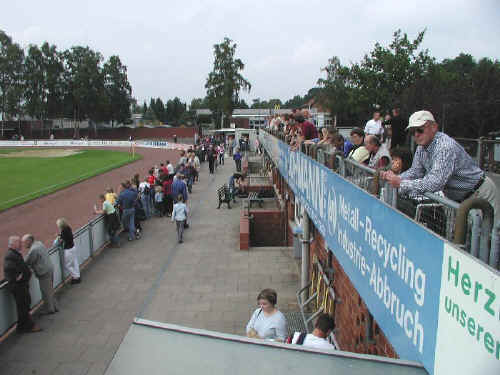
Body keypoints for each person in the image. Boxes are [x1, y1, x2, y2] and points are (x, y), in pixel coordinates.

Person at [382, 110, 499, 219]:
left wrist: (401, 183)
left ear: (434, 127)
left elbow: (435, 182)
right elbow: (415, 172)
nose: (416, 135)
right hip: (457, 200)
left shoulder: (444, 147)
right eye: (413, 131)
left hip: (480, 194)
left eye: (420, 130)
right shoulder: (421, 148)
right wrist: (395, 178)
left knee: (490, 236)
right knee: (461, 238)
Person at [4, 236, 42, 333]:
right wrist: (18, 276)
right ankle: (29, 326)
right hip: (18, 287)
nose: (21, 244)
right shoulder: (10, 255)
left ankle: (21, 326)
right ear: (13, 244)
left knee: (24, 305)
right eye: (19, 243)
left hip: (21, 286)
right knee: (23, 306)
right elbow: (10, 270)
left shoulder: (14, 254)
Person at [22, 234, 58, 314]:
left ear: (29, 241)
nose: (23, 245)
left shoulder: (33, 249)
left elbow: (28, 261)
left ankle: (49, 309)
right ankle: (54, 306)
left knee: (46, 291)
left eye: (24, 242)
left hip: (43, 272)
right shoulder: (39, 243)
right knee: (50, 289)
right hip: (49, 268)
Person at [56, 218, 81, 284]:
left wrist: (59, 237)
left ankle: (75, 277)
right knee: (75, 263)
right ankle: (77, 276)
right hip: (73, 247)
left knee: (68, 265)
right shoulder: (68, 227)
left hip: (68, 250)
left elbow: (62, 240)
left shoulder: (63, 231)